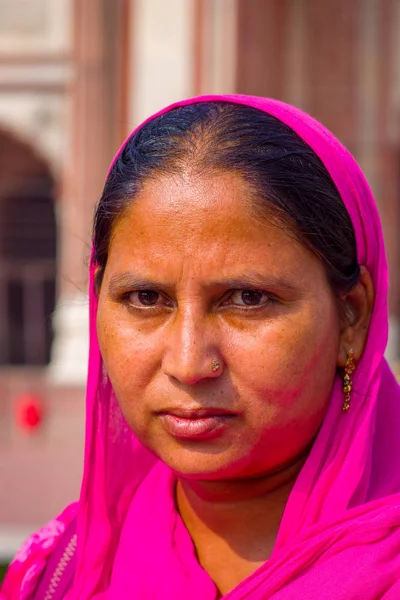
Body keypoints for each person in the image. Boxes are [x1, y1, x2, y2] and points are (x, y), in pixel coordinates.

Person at [2, 94, 400, 600]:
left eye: (247, 298)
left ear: (352, 316)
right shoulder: (63, 574)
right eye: (146, 298)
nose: (189, 363)